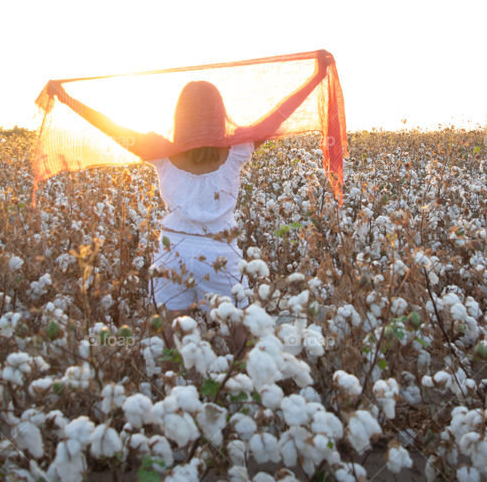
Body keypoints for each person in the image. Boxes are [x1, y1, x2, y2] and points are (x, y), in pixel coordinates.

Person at [43, 52, 330, 357]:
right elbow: (279, 114)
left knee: (170, 332)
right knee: (239, 332)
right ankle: (242, 390)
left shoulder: (160, 152)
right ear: (219, 114)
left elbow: (110, 127)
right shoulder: (237, 150)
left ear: (179, 116)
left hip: (173, 249)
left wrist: (66, 98)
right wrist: (315, 77)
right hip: (220, 251)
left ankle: (173, 392)